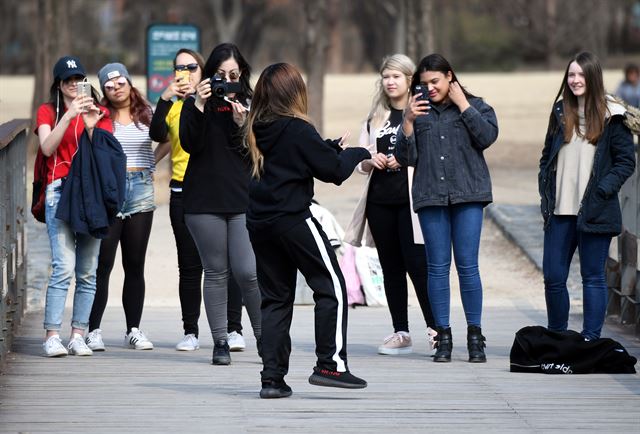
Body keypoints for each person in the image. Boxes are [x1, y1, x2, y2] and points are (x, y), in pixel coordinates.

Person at [245, 62, 370, 399]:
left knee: (274, 300)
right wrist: (359, 152)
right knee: (333, 288)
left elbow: (295, 159)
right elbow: (334, 172)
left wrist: (326, 146)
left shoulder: (254, 127)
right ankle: (331, 364)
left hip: (259, 224)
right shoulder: (298, 129)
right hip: (293, 220)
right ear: (295, 92)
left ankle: (272, 379)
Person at [396, 53, 498, 363]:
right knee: (437, 269)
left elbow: (487, 136)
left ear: (450, 77)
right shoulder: (417, 112)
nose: (430, 88)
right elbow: (405, 158)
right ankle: (443, 337)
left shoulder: (477, 105)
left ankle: (475, 336)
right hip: (431, 197)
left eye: (435, 81)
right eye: (424, 84)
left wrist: (463, 105)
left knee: (468, 266)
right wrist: (408, 122)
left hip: (468, 195)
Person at [149, 49, 246, 352]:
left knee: (228, 265)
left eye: (192, 66)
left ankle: (234, 328)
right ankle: (191, 330)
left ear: (204, 69)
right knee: (190, 266)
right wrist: (166, 98)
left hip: (216, 191)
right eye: (178, 67)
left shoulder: (219, 101)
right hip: (181, 190)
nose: (185, 72)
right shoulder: (179, 104)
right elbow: (157, 134)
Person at [538, 51, 635, 341]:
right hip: (559, 211)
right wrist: (545, 184)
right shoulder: (559, 112)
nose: (575, 80)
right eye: (571, 75)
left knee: (592, 278)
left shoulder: (613, 115)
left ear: (593, 77)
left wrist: (603, 190)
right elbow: (547, 156)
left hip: (596, 210)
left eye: (581, 74)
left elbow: (625, 162)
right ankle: (557, 336)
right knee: (553, 277)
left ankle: (590, 338)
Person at [344, 54, 435, 355]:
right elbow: (359, 160)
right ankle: (401, 332)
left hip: (412, 203)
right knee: (391, 268)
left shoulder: (423, 113)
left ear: (410, 79)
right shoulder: (375, 118)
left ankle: (437, 330)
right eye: (386, 77)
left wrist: (406, 158)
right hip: (380, 203)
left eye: (396, 76)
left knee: (418, 266)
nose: (390, 82)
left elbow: (432, 157)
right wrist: (369, 161)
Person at [179, 43, 262, 365]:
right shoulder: (195, 105)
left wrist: (244, 125)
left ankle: (264, 338)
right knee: (215, 271)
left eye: (233, 75)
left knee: (248, 272)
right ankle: (220, 342)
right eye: (219, 75)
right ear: (208, 74)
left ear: (242, 75)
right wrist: (199, 104)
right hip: (203, 199)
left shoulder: (251, 104)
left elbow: (257, 152)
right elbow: (190, 144)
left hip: (242, 199)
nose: (226, 81)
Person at [36, 56, 113, 357]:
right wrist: (68, 116)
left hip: (91, 193)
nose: (73, 85)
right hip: (60, 190)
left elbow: (105, 155)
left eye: (78, 79)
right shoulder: (48, 111)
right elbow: (46, 147)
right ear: (58, 83)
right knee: (63, 268)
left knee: (87, 270)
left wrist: (92, 125)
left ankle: (78, 333)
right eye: (67, 80)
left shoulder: (99, 112)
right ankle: (52, 335)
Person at [85, 63, 163, 351]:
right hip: (110, 192)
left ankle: (134, 330)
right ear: (104, 90)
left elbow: (165, 138)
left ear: (130, 83)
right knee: (102, 264)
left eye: (120, 82)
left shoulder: (149, 112)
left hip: (141, 187)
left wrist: (153, 161)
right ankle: (93, 329)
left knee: (134, 263)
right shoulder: (101, 115)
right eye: (109, 85)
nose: (116, 88)